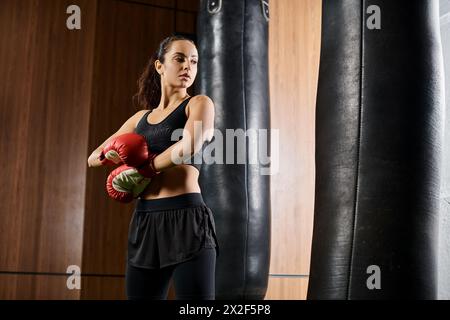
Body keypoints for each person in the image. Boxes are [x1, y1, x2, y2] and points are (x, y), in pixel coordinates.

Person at [87, 35, 219, 300]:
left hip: (186, 218)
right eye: (179, 59)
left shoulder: (198, 104)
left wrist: (145, 169)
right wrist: (115, 154)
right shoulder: (140, 118)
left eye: (193, 61)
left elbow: (189, 146)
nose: (188, 67)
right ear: (159, 66)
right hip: (146, 221)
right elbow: (93, 157)